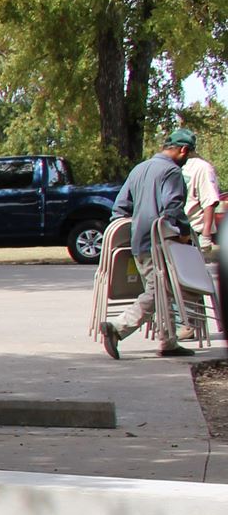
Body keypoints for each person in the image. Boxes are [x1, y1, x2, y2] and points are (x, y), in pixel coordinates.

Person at [102, 128, 197, 358]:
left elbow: (120, 208)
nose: (187, 160)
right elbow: (173, 208)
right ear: (183, 150)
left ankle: (168, 342)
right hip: (161, 242)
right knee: (159, 291)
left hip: (139, 240)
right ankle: (118, 327)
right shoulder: (172, 172)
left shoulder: (139, 168)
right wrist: (184, 232)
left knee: (163, 291)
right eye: (189, 155)